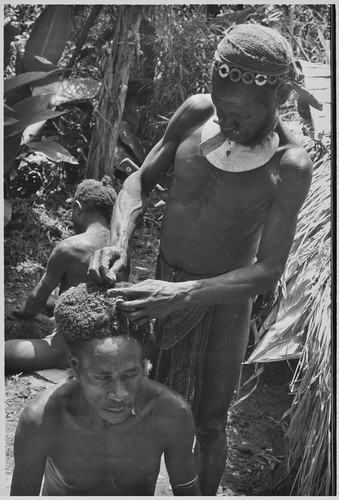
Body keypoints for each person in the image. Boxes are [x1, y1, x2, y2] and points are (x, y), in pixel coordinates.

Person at [88, 24, 317, 495]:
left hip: (224, 303)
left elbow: (269, 268)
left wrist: (182, 294)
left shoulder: (288, 165)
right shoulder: (196, 114)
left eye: (240, 114)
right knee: (138, 400)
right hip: (158, 286)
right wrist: (119, 240)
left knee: (210, 421)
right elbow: (137, 183)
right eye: (222, 107)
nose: (227, 121)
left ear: (275, 97)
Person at [10, 283, 201, 496]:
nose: (120, 394)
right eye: (103, 377)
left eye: (131, 374)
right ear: (75, 366)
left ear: (143, 364)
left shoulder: (172, 412)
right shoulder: (42, 419)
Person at [6, 177, 129, 372]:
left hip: (72, 347)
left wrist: (19, 313)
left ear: (78, 208)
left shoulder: (69, 248)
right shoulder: (120, 249)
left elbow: (35, 303)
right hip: (110, 342)